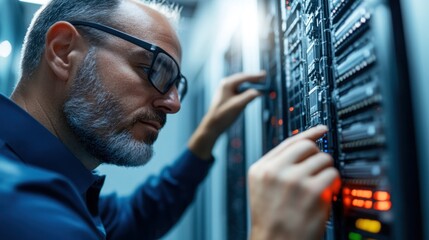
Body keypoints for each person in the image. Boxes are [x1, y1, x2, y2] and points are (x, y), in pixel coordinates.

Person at [0, 0, 340, 239]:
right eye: (155, 69)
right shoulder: (21, 209)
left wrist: (207, 134)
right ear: (63, 52)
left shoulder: (54, 187)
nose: (174, 104)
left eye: (177, 84)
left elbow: (134, 218)